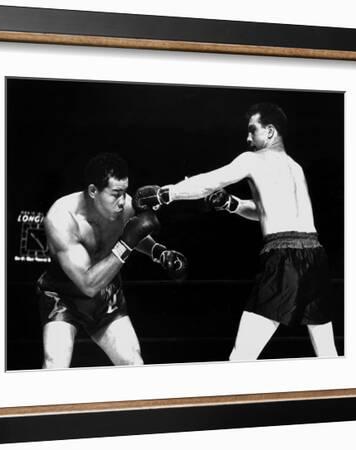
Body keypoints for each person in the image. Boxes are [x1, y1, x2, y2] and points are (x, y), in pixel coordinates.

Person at [133, 103, 338, 361]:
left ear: (271, 131)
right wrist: (234, 205)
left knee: (241, 358)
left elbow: (210, 181)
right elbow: (268, 211)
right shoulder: (296, 167)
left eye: (253, 130)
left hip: (284, 259)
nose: (247, 137)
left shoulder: (253, 159)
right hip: (315, 258)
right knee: (328, 356)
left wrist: (167, 193)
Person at [37, 152, 187, 368]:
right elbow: (88, 284)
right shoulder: (61, 218)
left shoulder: (124, 206)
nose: (122, 201)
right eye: (115, 194)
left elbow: (134, 233)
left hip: (106, 294)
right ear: (92, 191)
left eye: (125, 192)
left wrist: (159, 252)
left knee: (133, 363)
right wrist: (127, 243)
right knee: (55, 366)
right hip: (63, 297)